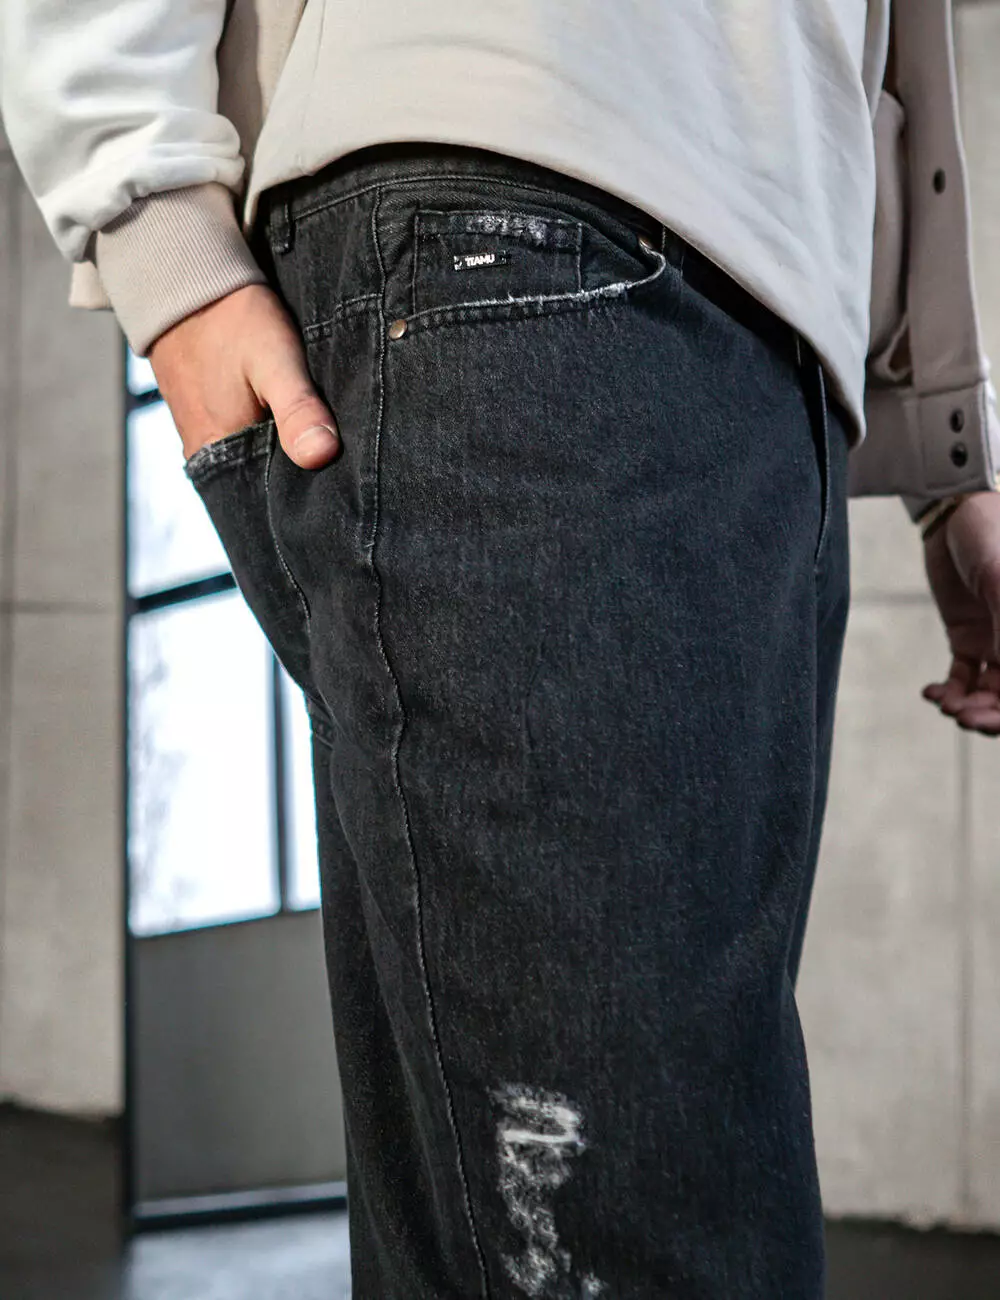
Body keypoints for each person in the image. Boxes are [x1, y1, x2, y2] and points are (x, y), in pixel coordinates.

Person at [3, 1, 1000, 1295]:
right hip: (512, 211)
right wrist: (160, 239)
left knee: (564, 1203)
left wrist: (945, 450)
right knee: (633, 1220)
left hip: (770, 336)